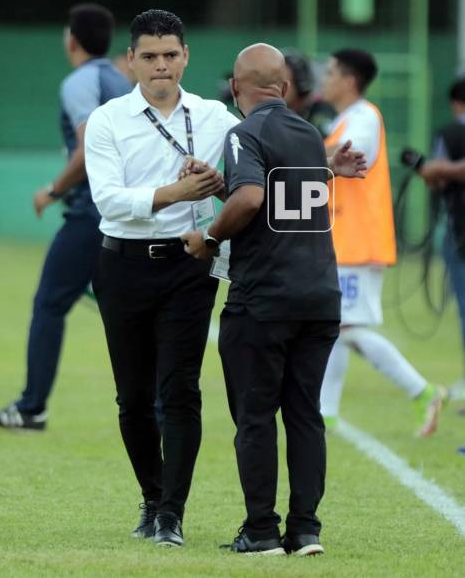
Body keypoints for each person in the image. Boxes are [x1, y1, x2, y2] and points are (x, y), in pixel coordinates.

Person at [183, 44, 365, 556]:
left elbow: (250, 198)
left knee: (257, 415)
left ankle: (261, 530)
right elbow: (280, 191)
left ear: (237, 89)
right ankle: (306, 530)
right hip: (319, 298)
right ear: (283, 89)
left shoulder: (245, 133)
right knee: (305, 413)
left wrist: (210, 240)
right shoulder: (309, 135)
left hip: (264, 300)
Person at [84, 9, 240, 548]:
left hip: (188, 265)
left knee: (180, 391)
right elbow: (109, 200)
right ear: (131, 60)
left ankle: (172, 512)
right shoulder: (107, 120)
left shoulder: (215, 115)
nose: (161, 66)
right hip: (121, 264)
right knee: (132, 397)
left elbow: (255, 164)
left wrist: (325, 160)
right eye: (149, 56)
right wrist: (176, 193)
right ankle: (152, 497)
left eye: (170, 55)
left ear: (185, 57)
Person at [0, 4, 131, 431]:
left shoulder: (79, 83)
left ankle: (31, 408)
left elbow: (88, 150)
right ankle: (157, 403)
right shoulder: (121, 79)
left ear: (71, 40)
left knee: (48, 304)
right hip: (126, 211)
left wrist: (53, 189)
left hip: (92, 212)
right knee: (131, 308)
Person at [319, 48, 446, 436]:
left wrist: (290, 150)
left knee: (347, 328)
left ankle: (422, 391)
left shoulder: (364, 117)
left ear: (349, 80)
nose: (324, 78)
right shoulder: (342, 119)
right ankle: (325, 414)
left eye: (330, 72)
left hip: (358, 240)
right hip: (342, 239)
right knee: (336, 327)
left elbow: (351, 156)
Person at [419, 78, 465, 387]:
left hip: (460, 232)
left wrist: (433, 169)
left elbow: (434, 179)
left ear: (454, 102)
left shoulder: (449, 134)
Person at [283, 48, 336, 137]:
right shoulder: (278, 112)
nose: (277, 87)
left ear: (301, 83)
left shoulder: (322, 114)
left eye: (284, 82)